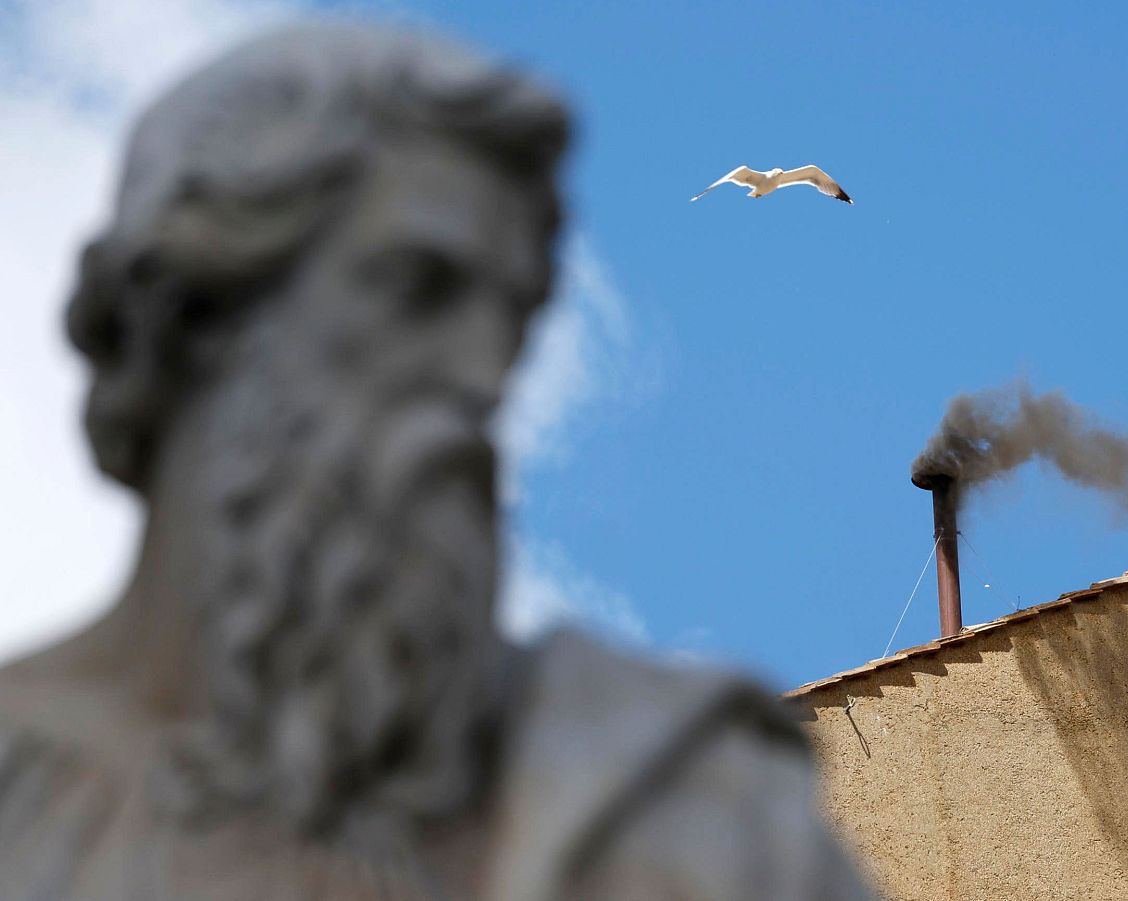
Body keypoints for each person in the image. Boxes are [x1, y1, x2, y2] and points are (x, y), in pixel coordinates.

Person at [0, 21, 873, 901]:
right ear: (190, 318)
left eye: (516, 318)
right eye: (418, 285)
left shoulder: (685, 811)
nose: (485, 374)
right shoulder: (21, 802)